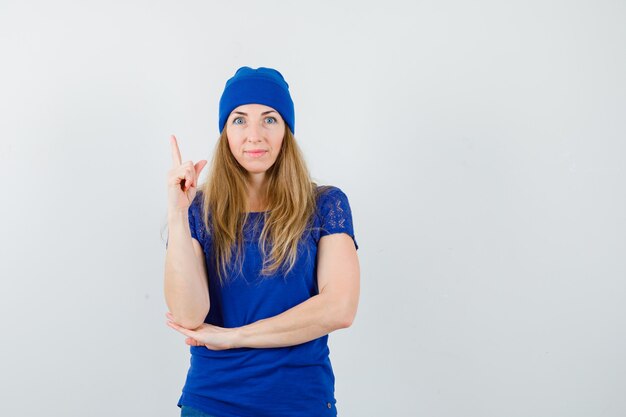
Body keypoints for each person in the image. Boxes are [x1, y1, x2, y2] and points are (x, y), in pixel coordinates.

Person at [164, 66, 360, 417]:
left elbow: (339, 309)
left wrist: (234, 336)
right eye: (239, 120)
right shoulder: (197, 212)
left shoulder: (325, 205)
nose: (254, 135)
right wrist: (178, 214)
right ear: (225, 133)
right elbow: (188, 315)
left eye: (269, 119)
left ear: (287, 130)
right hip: (212, 402)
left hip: (301, 402)